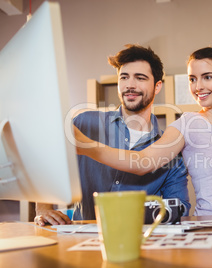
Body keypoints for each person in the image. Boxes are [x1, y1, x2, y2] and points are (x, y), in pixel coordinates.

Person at [74, 47, 212, 216]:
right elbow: (143, 162)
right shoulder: (186, 124)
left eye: (207, 77)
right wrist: (86, 147)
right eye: (192, 79)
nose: (198, 87)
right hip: (210, 222)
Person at [35, 44, 190, 226]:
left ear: (157, 87)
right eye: (124, 77)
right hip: (81, 242)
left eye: (140, 78)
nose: (130, 85)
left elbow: (181, 209)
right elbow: (48, 165)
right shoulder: (84, 123)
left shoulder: (169, 150)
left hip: (139, 243)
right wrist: (43, 208)